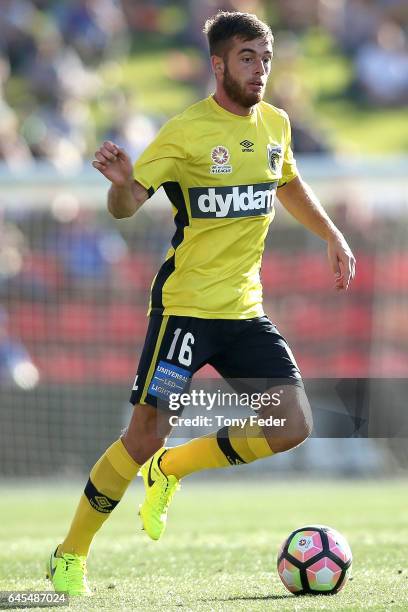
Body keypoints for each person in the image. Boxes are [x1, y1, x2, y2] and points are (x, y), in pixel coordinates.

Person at [47, 11, 355, 596]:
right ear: (218, 65)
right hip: (184, 309)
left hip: (244, 310)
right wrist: (119, 184)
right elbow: (129, 203)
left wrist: (332, 235)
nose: (259, 70)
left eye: (265, 59)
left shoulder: (277, 125)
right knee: (142, 436)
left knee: (291, 424)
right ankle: (69, 554)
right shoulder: (185, 132)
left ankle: (174, 468)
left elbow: (285, 180)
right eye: (247, 58)